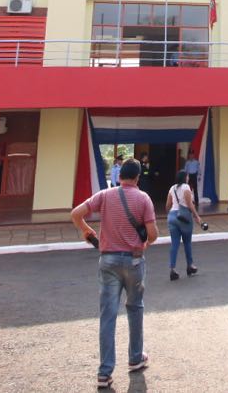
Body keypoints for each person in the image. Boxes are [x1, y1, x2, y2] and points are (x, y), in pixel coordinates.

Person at [70, 158, 157, 389]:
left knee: (107, 315)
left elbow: (76, 213)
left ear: (119, 176)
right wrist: (145, 243)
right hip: (134, 261)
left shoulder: (105, 195)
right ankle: (135, 357)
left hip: (107, 260)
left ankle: (104, 372)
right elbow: (153, 234)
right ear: (137, 178)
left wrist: (87, 230)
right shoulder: (143, 199)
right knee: (135, 308)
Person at [165, 169, 199, 281]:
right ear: (185, 177)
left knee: (174, 244)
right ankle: (190, 266)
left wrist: (170, 214)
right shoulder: (186, 187)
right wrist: (196, 216)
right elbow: (189, 204)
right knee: (187, 242)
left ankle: (172, 269)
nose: (188, 178)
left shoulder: (172, 188)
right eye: (187, 176)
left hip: (172, 216)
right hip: (184, 217)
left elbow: (167, 205)